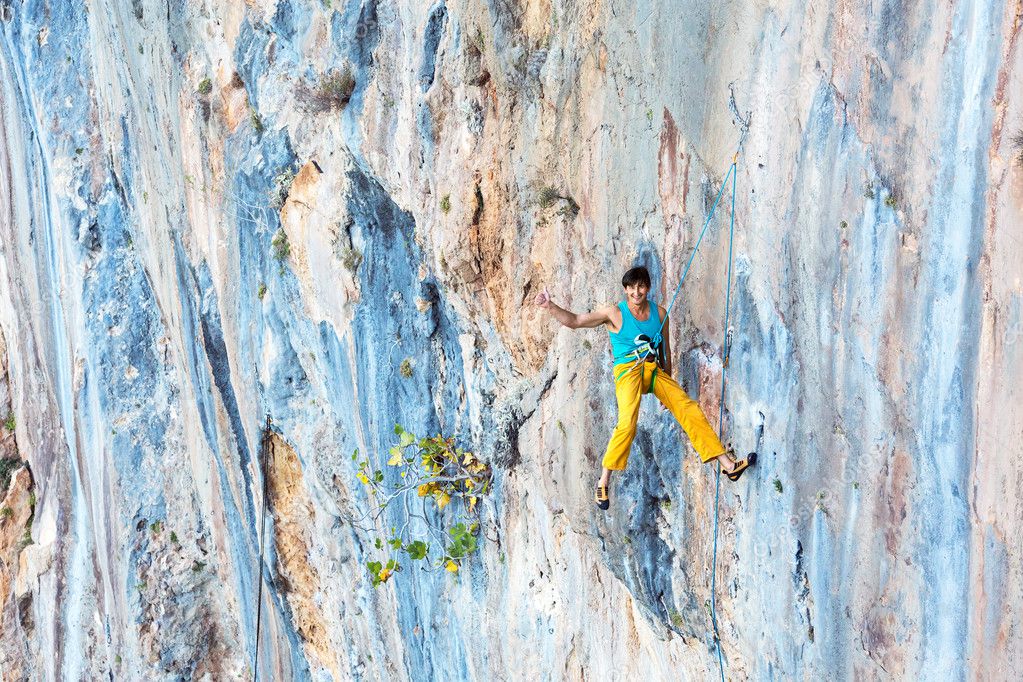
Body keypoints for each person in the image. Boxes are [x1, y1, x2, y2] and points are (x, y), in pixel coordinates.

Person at [534, 265, 756, 510]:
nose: (636, 292)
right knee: (627, 422)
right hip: (628, 372)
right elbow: (575, 321)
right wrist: (550, 306)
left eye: (641, 286)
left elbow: (666, 350)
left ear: (648, 288)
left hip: (653, 371)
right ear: (626, 290)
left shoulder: (660, 315)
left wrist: (667, 384)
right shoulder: (614, 314)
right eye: (632, 287)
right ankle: (604, 480)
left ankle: (728, 465)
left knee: (688, 408)